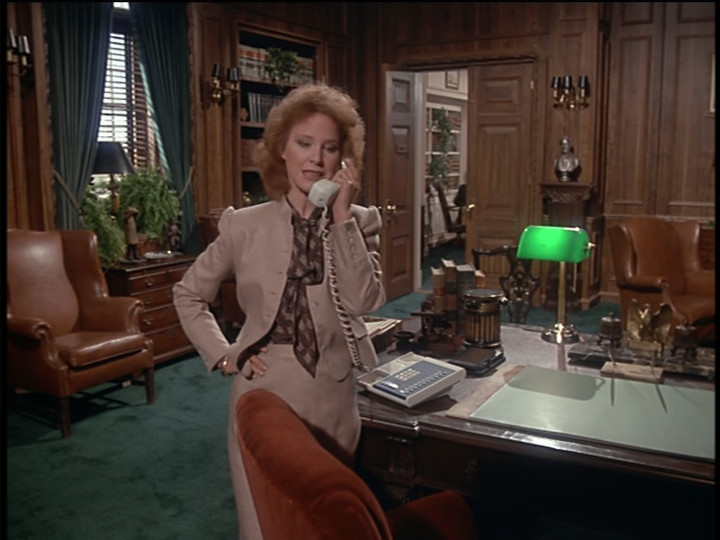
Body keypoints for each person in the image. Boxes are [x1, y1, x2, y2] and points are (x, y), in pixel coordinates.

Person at [173, 83, 386, 540]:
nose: (316, 159)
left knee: (326, 526)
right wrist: (225, 354)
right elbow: (188, 294)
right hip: (263, 389)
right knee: (263, 524)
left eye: (330, 148)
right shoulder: (243, 225)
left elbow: (363, 302)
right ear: (281, 150)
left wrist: (342, 217)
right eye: (304, 143)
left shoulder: (360, 221)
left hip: (332, 393)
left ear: (343, 159)